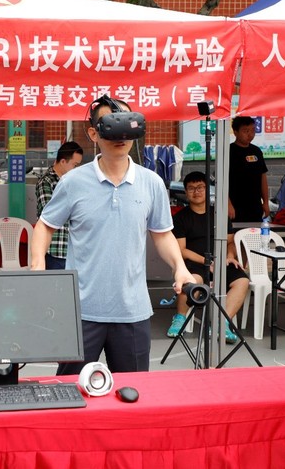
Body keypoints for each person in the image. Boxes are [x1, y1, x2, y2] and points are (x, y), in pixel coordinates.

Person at [30, 96, 195, 374]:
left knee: (132, 391)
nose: (121, 136)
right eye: (111, 126)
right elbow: (45, 225)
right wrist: (38, 267)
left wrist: (180, 267)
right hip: (81, 311)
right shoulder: (72, 182)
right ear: (94, 133)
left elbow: (162, 234)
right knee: (71, 390)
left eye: (126, 125)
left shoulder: (152, 183)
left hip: (132, 311)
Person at [166, 171, 250, 343]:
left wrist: (230, 256)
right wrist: (206, 261)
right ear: (186, 192)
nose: (196, 191)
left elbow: (230, 242)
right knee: (190, 282)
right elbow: (181, 249)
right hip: (195, 263)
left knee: (242, 281)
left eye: (200, 187)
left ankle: (221, 323)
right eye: (191, 188)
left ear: (207, 190)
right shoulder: (180, 218)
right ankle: (180, 318)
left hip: (221, 262)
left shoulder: (220, 215)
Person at [35, 141, 83, 270]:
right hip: (55, 248)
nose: (77, 169)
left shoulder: (74, 181)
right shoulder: (46, 181)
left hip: (74, 248)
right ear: (63, 162)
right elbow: (49, 213)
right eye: (75, 165)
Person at [228, 116, 270, 223]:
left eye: (252, 130)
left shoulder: (256, 151)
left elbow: (263, 178)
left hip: (255, 207)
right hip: (234, 207)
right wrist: (228, 204)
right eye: (246, 131)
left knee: (255, 232)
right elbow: (221, 181)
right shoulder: (228, 151)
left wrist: (265, 203)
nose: (250, 134)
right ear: (235, 132)